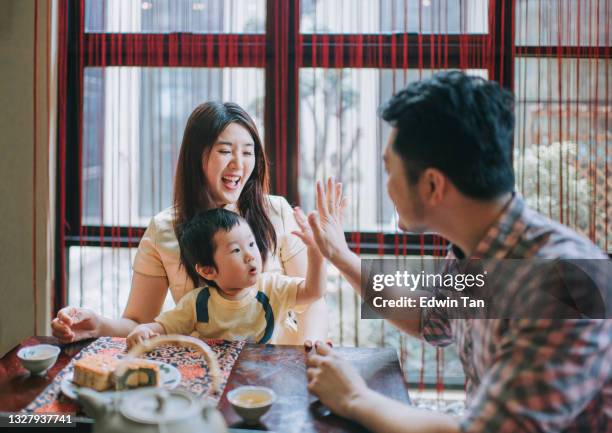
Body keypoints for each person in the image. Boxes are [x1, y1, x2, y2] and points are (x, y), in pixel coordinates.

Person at [303, 72, 611, 432]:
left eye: (389, 170)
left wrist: (355, 397)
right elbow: (430, 318)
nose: (386, 185)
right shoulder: (478, 247)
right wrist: (341, 255)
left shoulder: (567, 284)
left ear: (433, 185)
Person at [51, 102, 327, 345]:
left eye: (247, 152)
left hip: (277, 368)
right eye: (225, 151)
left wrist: (310, 354)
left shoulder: (275, 210)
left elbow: (311, 298)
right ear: (197, 156)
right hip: (207, 370)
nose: (238, 164)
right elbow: (139, 323)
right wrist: (98, 325)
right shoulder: (163, 229)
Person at [126, 207, 326, 349]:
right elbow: (166, 326)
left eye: (251, 244)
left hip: (271, 375)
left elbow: (313, 292)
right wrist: (145, 329)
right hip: (219, 378)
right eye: (236, 250)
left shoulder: (272, 287)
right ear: (207, 271)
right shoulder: (198, 303)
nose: (250, 255)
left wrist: (315, 254)